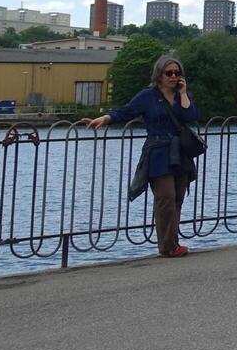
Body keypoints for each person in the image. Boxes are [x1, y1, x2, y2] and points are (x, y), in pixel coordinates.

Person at [81, 54, 201, 258]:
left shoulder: (180, 96)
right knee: (165, 197)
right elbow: (127, 111)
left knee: (178, 198)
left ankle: (173, 243)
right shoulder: (148, 96)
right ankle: (167, 247)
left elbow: (191, 116)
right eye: (168, 73)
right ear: (159, 74)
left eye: (177, 73)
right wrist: (106, 118)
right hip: (158, 152)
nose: (173, 76)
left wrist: (184, 93)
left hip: (179, 152)